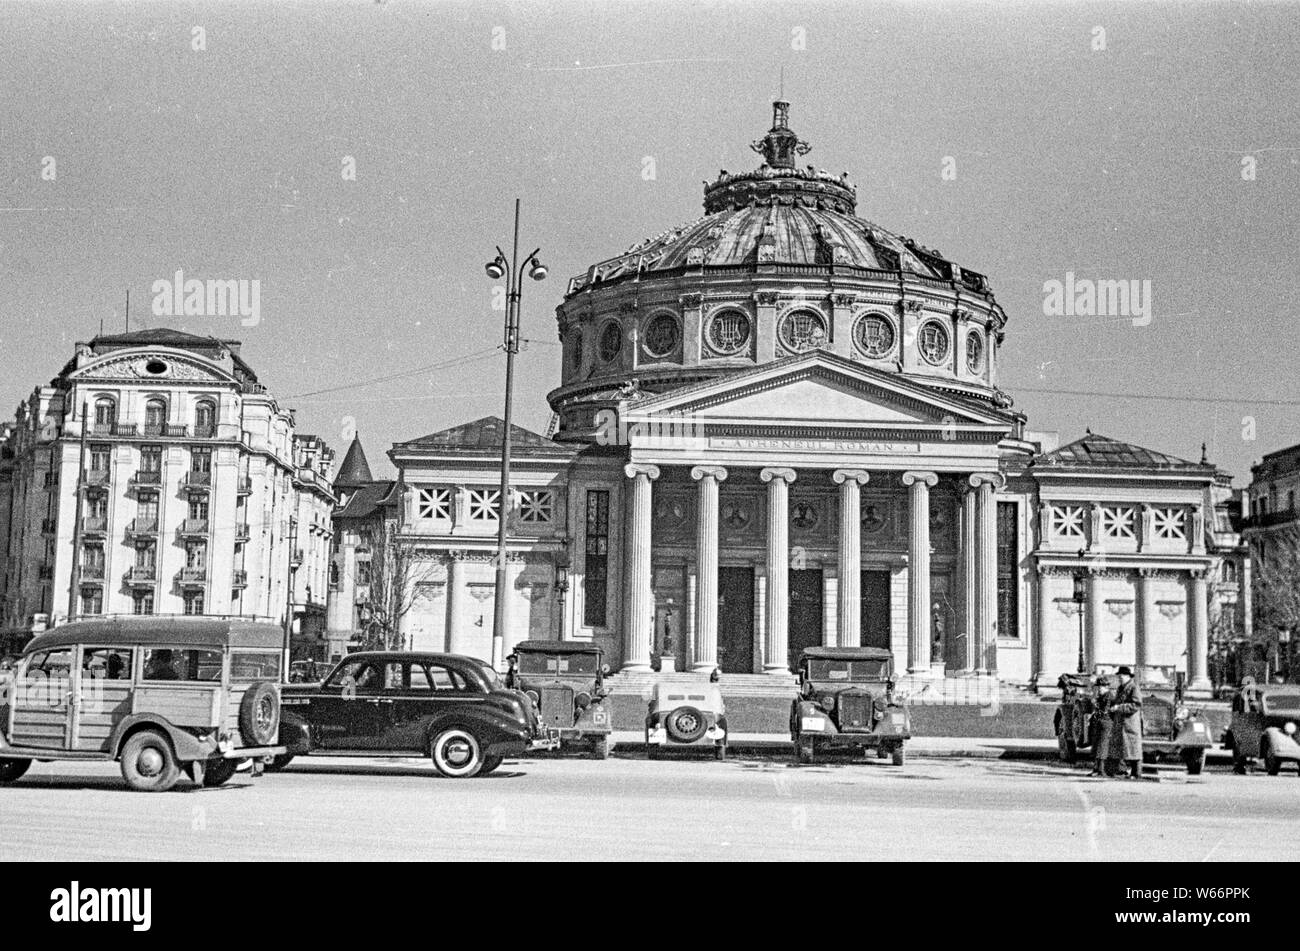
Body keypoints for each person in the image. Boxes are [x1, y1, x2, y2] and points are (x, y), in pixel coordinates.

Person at [1110, 665, 1144, 779]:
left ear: (1128, 676)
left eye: (1122, 675)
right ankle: (1122, 771)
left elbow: (1136, 704)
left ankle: (1136, 773)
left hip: (1130, 723)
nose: (1120, 678)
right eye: (1119, 676)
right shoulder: (1121, 688)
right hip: (1121, 724)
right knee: (1123, 748)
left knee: (1134, 749)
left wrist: (1119, 707)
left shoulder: (1134, 687)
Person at [1089, 678, 1116, 777]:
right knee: (1097, 747)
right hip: (1100, 723)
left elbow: (1104, 711)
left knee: (1102, 747)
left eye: (1102, 686)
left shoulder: (1108, 696)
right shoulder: (1102, 696)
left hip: (1106, 723)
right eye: (1099, 686)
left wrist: (1095, 704)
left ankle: (1101, 770)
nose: (1100, 688)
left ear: (1107, 687)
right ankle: (1096, 769)